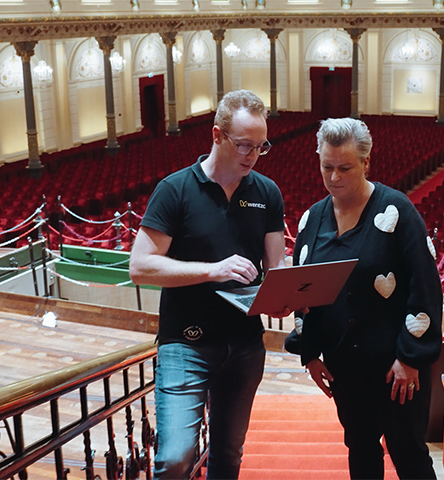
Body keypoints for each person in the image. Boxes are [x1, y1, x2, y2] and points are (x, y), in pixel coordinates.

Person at [129, 90, 286, 480]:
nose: (252, 155)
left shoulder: (267, 193)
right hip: (186, 343)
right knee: (176, 458)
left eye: (260, 146)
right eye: (244, 145)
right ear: (217, 135)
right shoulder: (175, 190)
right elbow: (140, 267)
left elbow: (276, 265)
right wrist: (212, 270)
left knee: (228, 455)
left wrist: (285, 295)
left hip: (246, 345)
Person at [292, 117, 442, 480]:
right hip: (345, 366)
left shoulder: (398, 211)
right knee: (360, 450)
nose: (334, 177)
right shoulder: (312, 219)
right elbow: (303, 291)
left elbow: (425, 288)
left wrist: (410, 358)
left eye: (345, 167)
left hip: (396, 367)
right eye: (327, 166)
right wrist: (309, 352)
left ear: (366, 163)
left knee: (408, 453)